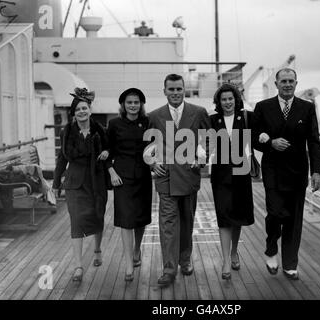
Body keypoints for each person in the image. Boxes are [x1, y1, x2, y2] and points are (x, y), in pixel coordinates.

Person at [253, 68, 320, 280]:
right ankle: (271, 248)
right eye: (283, 81)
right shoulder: (263, 107)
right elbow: (253, 137)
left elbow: (314, 141)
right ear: (276, 84)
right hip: (273, 168)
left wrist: (317, 171)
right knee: (275, 212)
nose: (287, 84)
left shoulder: (307, 108)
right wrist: (271, 143)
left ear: (296, 83)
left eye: (291, 81)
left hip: (298, 170)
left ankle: (290, 263)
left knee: (293, 219)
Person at [147, 74, 211, 286]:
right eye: (171, 89)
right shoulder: (155, 116)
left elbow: (208, 140)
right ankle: (169, 269)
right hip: (165, 179)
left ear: (185, 90)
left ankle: (185, 259)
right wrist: (151, 162)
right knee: (167, 225)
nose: (175, 93)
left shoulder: (199, 113)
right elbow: (147, 145)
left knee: (187, 222)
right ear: (164, 91)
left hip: (189, 177)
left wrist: (201, 160)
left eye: (178, 89)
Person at [53, 88, 109, 282]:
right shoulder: (67, 132)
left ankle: (97, 249)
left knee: (97, 215)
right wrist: (55, 183)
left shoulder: (100, 130)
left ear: (90, 110)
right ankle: (78, 265)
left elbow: (111, 148)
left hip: (96, 180)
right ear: (74, 113)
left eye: (84, 108)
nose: (82, 112)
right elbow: (62, 157)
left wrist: (107, 153)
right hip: (74, 182)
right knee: (76, 220)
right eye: (78, 109)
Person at [209, 83, 255, 280]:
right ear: (219, 102)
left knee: (238, 215)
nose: (227, 102)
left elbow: (263, 134)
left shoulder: (247, 118)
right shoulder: (212, 120)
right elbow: (203, 142)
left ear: (236, 99)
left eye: (230, 98)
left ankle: (234, 250)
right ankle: (226, 260)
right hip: (220, 174)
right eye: (223, 99)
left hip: (241, 172)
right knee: (223, 216)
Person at [106, 88, 152, 282]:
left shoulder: (148, 123)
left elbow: (154, 148)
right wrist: (112, 172)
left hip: (143, 176)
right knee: (126, 220)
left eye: (136, 102)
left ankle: (136, 249)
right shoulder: (114, 124)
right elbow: (106, 151)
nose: (133, 105)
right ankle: (128, 264)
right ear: (123, 105)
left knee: (140, 219)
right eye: (129, 102)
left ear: (141, 104)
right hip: (122, 178)